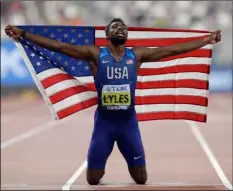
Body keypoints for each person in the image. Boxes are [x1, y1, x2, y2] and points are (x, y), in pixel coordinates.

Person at [5, 18, 221, 185]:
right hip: (104, 125)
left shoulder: (136, 55)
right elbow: (59, 47)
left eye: (124, 28)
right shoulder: (95, 54)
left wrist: (206, 40)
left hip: (128, 125)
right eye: (116, 27)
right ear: (107, 34)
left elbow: (171, 50)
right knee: (92, 180)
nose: (121, 29)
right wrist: (23, 34)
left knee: (141, 179)